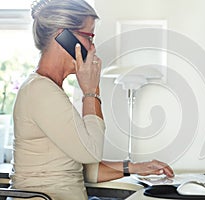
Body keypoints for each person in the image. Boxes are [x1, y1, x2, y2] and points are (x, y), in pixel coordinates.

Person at [10, 0, 174, 199]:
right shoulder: (40, 91)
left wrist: (137, 167)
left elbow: (79, 165)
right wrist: (90, 90)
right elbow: (90, 152)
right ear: (62, 36)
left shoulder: (47, 88)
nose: (92, 46)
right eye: (89, 36)